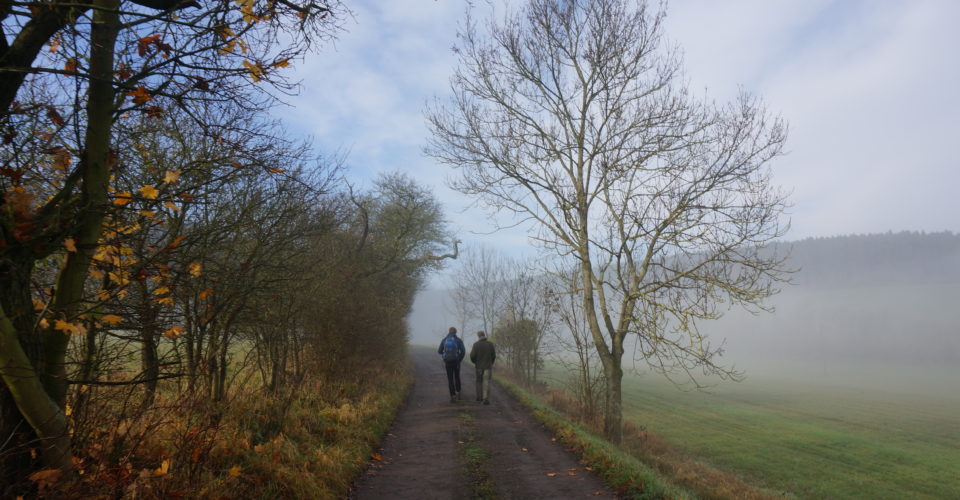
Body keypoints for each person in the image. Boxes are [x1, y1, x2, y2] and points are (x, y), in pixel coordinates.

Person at [437, 326, 465, 402]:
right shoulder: (458, 340)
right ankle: (458, 392)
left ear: (449, 332)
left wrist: (444, 355)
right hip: (456, 362)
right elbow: (463, 352)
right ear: (455, 332)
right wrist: (459, 359)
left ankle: (452, 396)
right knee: (457, 377)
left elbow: (439, 351)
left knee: (450, 379)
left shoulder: (444, 340)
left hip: (448, 362)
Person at [469, 330, 496, 405]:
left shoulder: (476, 345)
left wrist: (476, 362)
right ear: (484, 335)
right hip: (488, 366)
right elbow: (493, 356)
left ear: (478, 336)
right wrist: (491, 363)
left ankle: (479, 397)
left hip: (479, 367)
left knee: (479, 381)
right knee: (486, 382)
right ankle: (485, 398)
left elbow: (472, 356)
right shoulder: (490, 344)